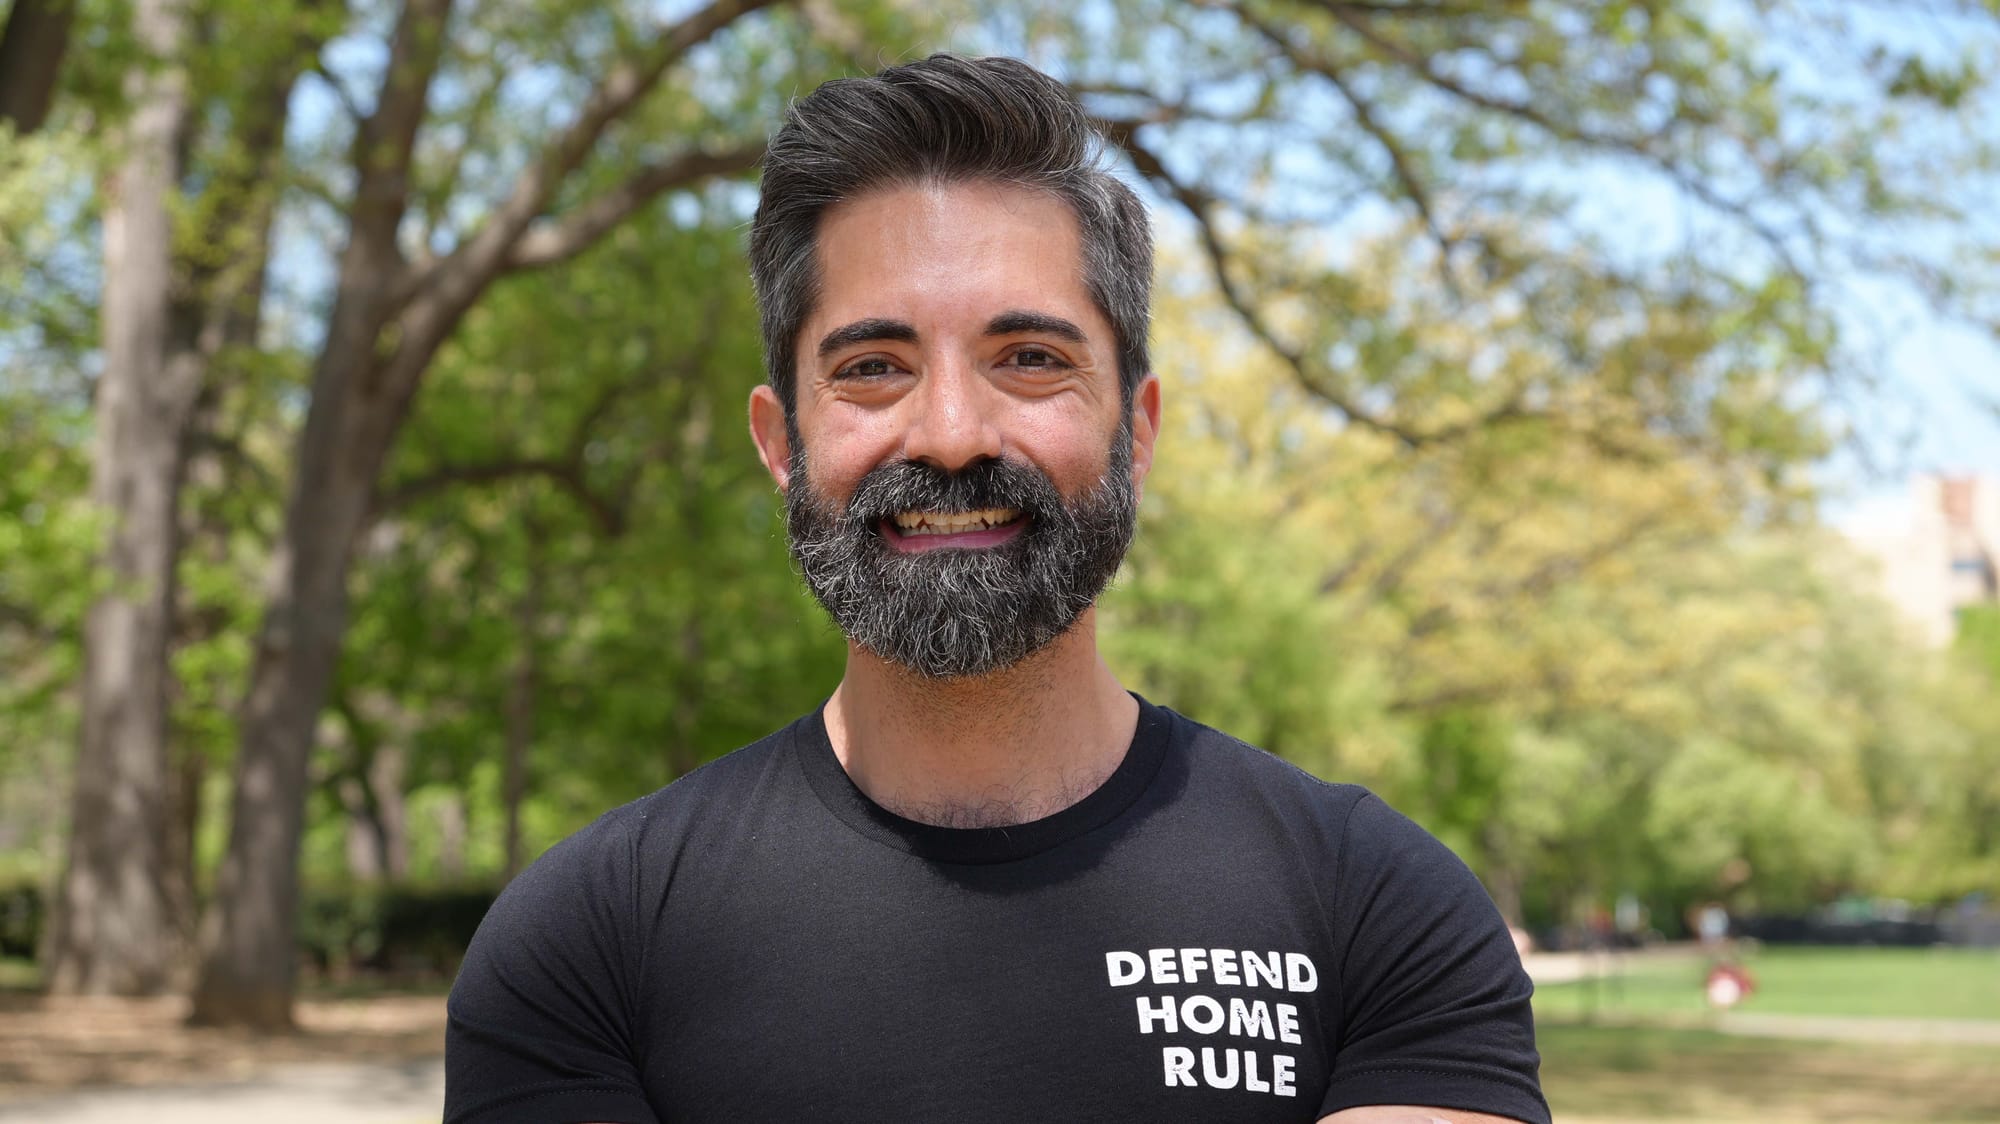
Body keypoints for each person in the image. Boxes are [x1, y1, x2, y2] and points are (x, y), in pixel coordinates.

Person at [444, 54, 1549, 1124]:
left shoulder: (1377, 910)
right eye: (872, 366)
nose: (954, 434)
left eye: (1027, 358)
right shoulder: (586, 942)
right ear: (780, 442)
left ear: (1138, 429)